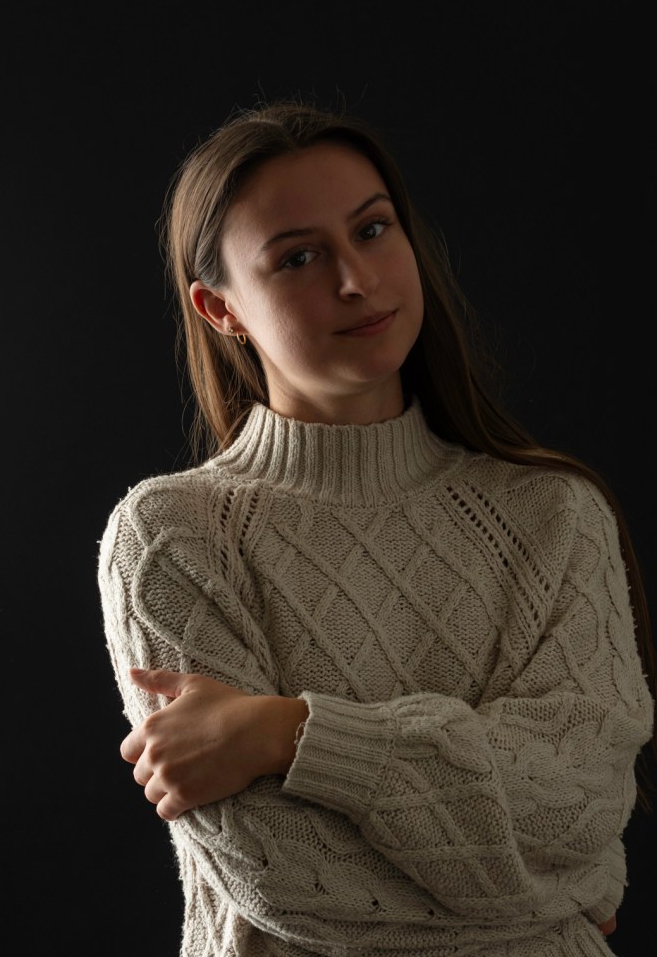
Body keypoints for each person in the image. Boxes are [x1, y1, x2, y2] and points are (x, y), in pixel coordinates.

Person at [97, 98, 655, 957]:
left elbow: (578, 808)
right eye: (298, 257)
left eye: (371, 229)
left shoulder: (552, 514)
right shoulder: (173, 535)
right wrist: (547, 895)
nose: (356, 279)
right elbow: (284, 880)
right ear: (220, 309)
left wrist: (291, 733)